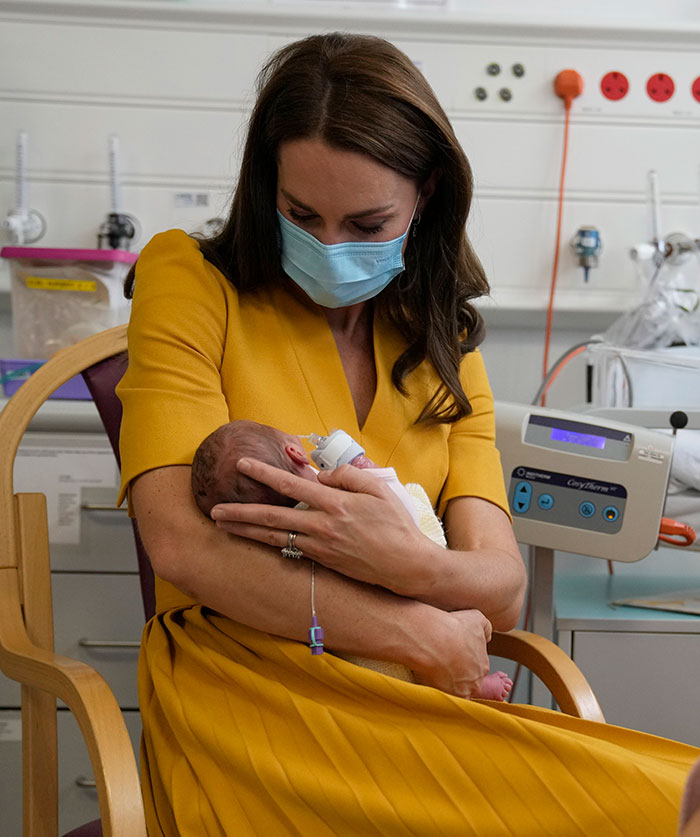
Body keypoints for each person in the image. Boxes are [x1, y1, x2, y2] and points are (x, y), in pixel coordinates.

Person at [117, 32, 699, 836]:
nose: (329, 247)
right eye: (300, 215)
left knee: (667, 793)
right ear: (266, 192)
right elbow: (181, 547)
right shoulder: (190, 279)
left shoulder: (444, 343)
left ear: (425, 196)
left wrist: (405, 560)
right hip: (247, 691)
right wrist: (417, 625)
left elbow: (501, 589)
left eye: (366, 221)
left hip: (415, 690)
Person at [190, 418, 514, 700]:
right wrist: (366, 470)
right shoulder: (346, 490)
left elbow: (507, 596)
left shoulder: (271, 541)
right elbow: (402, 509)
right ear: (296, 452)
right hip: (424, 610)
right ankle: (470, 687)